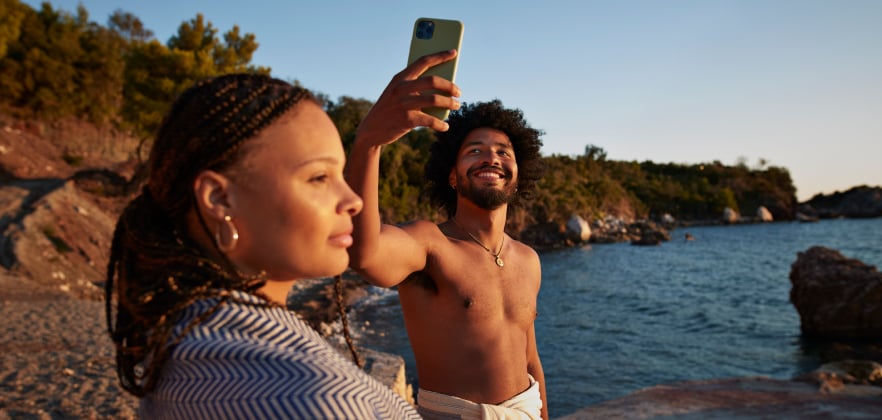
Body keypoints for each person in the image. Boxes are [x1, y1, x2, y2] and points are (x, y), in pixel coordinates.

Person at [105, 73, 420, 419]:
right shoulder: (320, 400)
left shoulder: (180, 344)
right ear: (219, 198)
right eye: (319, 177)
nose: (353, 201)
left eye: (341, 175)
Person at [347, 50, 549, 419]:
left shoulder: (529, 259)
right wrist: (369, 143)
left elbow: (531, 360)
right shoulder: (430, 244)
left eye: (503, 152)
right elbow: (365, 254)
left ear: (519, 176)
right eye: (475, 151)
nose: (491, 158)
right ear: (453, 176)